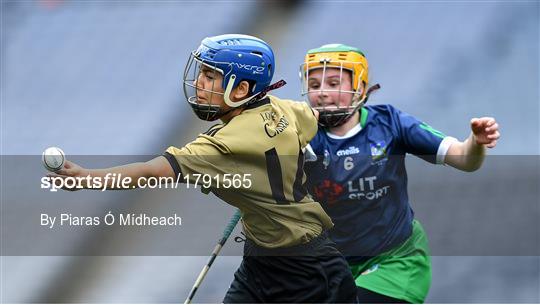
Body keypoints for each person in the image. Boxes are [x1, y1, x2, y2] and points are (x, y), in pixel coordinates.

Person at [50, 35, 357, 303]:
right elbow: (315, 117)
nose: (198, 82)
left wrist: (87, 178)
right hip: (261, 262)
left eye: (211, 75)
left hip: (310, 272)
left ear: (241, 89)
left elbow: (150, 172)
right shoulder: (283, 108)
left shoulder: (222, 146)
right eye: (201, 72)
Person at [300, 43, 500, 303]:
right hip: (333, 264)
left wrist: (476, 141)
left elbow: (464, 159)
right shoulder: (301, 134)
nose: (322, 93)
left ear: (359, 87)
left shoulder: (390, 123)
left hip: (396, 260)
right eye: (314, 85)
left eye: (334, 82)